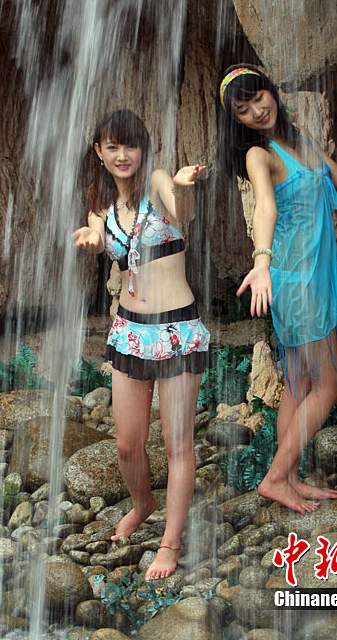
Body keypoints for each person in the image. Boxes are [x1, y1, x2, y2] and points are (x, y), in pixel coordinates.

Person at [216, 64, 337, 515]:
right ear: (235, 121)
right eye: (243, 109)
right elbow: (265, 209)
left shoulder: (301, 138)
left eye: (258, 97)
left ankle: (288, 477)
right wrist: (261, 261)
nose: (257, 110)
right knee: (331, 383)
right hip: (296, 281)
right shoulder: (259, 155)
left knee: (299, 382)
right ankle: (275, 477)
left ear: (271, 91)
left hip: (312, 278)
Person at [73, 109, 210, 578]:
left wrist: (183, 187)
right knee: (128, 445)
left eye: (129, 145)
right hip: (129, 330)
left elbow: (180, 210)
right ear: (99, 152)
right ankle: (143, 502)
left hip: (176, 331)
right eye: (112, 146)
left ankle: (170, 542)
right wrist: (91, 239)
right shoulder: (99, 207)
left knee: (177, 444)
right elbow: (98, 237)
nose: (121, 155)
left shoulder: (156, 181)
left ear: (142, 148)